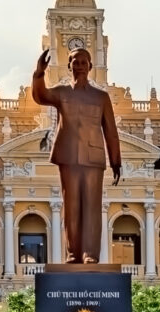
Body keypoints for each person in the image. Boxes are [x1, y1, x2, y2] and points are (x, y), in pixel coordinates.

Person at [30, 46, 122, 263]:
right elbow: (40, 95)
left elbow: (110, 130)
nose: (79, 66)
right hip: (68, 155)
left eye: (83, 62)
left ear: (90, 67)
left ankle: (90, 254)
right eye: (75, 62)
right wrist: (38, 73)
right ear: (69, 66)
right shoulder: (62, 93)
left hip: (93, 157)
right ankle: (73, 253)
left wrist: (116, 161)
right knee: (71, 206)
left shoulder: (101, 97)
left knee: (92, 206)